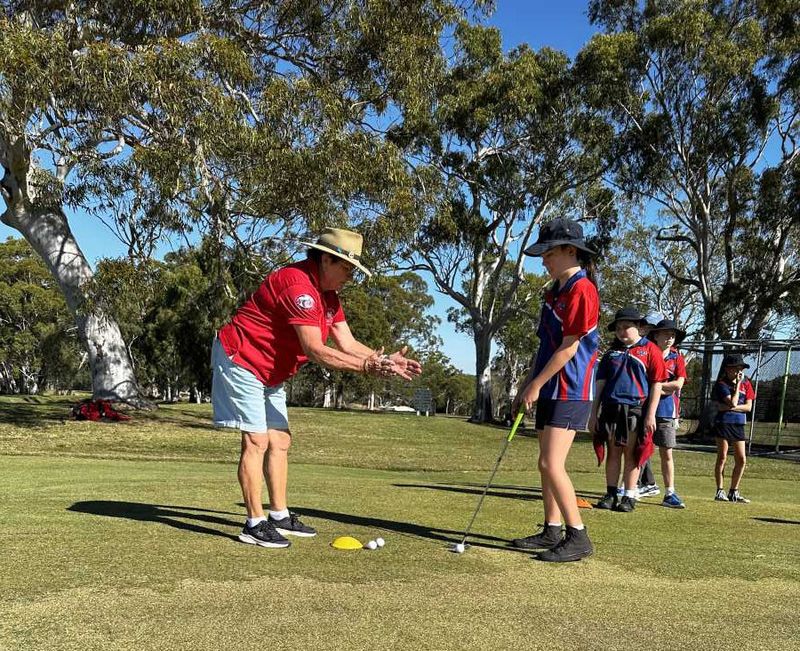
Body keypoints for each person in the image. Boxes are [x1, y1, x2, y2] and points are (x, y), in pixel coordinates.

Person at [212, 227, 422, 548]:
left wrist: (384, 361)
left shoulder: (329, 297)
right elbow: (315, 349)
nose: (350, 276)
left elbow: (347, 342)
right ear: (326, 259)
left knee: (280, 441)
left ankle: (279, 514)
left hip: (271, 370)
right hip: (241, 358)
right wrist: (367, 367)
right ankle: (254, 522)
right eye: (347, 268)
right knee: (256, 440)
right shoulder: (299, 288)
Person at [510, 218, 600, 563]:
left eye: (548, 252)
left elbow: (569, 347)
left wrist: (537, 383)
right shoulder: (552, 293)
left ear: (569, 250)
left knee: (551, 462)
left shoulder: (582, 289)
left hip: (571, 389)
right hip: (549, 387)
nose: (543, 260)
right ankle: (552, 528)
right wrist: (527, 383)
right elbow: (545, 347)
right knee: (544, 462)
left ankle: (577, 536)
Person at [589, 307, 666, 513]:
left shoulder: (651, 350)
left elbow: (656, 384)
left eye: (627, 327)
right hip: (610, 409)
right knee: (613, 452)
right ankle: (611, 493)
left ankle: (629, 495)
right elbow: (600, 386)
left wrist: (650, 414)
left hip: (635, 410)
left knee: (631, 453)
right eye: (618, 328)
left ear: (640, 327)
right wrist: (593, 413)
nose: (622, 332)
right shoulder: (610, 354)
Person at [647, 319, 688, 508]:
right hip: (644, 408)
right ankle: (642, 485)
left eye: (673, 335)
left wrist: (655, 387)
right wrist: (662, 387)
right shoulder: (646, 353)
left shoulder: (677, 358)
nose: (670, 338)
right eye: (666, 334)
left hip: (666, 411)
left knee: (667, 452)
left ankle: (670, 492)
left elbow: (677, 384)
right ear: (656, 335)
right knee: (638, 448)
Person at [711, 354, 755, 503]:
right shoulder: (721, 384)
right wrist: (736, 388)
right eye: (735, 368)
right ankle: (720, 490)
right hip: (723, 423)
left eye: (741, 368)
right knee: (722, 456)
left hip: (738, 424)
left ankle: (734, 491)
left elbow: (748, 407)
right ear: (728, 369)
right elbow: (733, 401)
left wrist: (729, 408)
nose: (738, 372)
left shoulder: (747, 383)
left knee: (741, 459)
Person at [635, 312, 665, 498]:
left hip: (658, 407)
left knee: (644, 444)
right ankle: (648, 482)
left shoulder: (657, 351)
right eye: (645, 325)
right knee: (640, 442)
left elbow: (662, 383)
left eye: (651, 327)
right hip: (641, 403)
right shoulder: (640, 347)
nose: (646, 329)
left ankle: (639, 483)